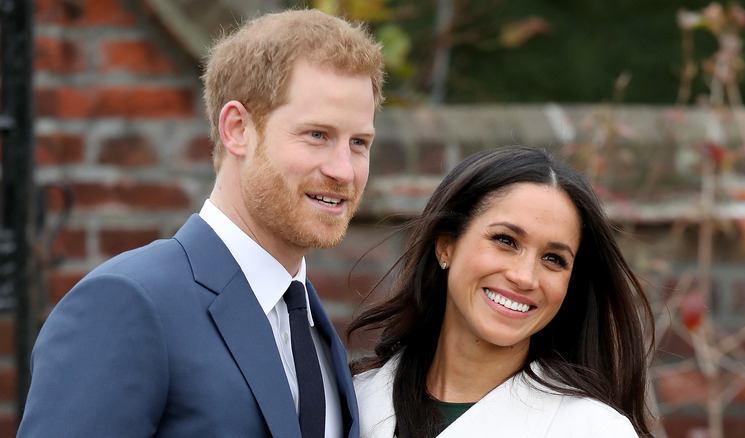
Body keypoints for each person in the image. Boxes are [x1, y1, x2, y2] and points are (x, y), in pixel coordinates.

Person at [19, 8, 384, 438]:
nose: (344, 170)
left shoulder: (311, 326)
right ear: (237, 129)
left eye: (358, 142)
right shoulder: (129, 302)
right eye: (317, 135)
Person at [349, 146, 655, 437]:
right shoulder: (351, 401)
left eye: (553, 259)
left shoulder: (595, 429)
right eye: (506, 241)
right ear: (446, 245)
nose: (525, 278)